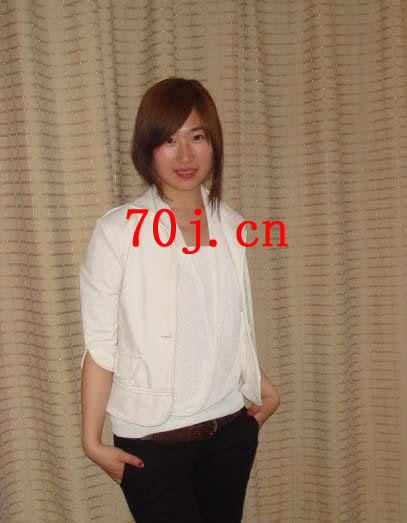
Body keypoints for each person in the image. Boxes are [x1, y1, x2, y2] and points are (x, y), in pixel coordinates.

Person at [80, 77, 280, 523]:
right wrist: (92, 442)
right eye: (169, 140)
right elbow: (102, 344)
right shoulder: (117, 232)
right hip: (153, 445)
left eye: (197, 137)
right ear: (148, 147)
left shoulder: (233, 226)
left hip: (229, 434)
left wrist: (262, 386)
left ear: (214, 144)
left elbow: (223, 324)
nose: (185, 155)